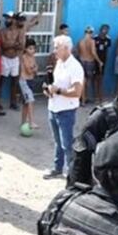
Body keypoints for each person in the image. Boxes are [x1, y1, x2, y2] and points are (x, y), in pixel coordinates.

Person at [43, 35, 84, 180]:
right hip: (54, 107)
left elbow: (77, 92)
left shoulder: (75, 67)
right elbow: (56, 84)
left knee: (67, 144)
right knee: (58, 142)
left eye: (56, 47)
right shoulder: (59, 63)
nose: (54, 51)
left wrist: (58, 91)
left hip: (66, 110)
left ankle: (74, 175)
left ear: (66, 48)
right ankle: (57, 168)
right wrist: (49, 90)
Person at [1, 10, 42, 110]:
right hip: (10, 57)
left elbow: (33, 22)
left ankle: (15, 101)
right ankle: (0, 103)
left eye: (23, 20)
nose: (21, 22)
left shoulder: (23, 28)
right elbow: (5, 45)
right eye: (19, 20)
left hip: (18, 58)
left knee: (16, 81)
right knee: (3, 81)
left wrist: (40, 14)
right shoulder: (6, 31)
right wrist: (14, 45)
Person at [20, 38, 41, 131]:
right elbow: (29, 71)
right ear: (25, 49)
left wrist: (34, 68)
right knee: (30, 100)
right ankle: (31, 121)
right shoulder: (24, 57)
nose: (32, 50)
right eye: (30, 48)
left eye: (33, 48)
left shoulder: (33, 57)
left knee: (26, 103)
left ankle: (23, 122)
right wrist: (34, 68)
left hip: (31, 81)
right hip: (24, 81)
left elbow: (36, 69)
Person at [77, 27, 100, 106]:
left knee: (82, 80)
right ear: (91, 33)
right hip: (90, 61)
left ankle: (83, 99)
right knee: (88, 81)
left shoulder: (80, 41)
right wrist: (99, 61)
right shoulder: (92, 41)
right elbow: (93, 52)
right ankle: (86, 98)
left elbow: (78, 52)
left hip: (81, 61)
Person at [92, 24, 111, 105]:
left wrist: (104, 61)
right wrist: (98, 60)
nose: (105, 31)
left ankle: (100, 97)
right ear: (101, 29)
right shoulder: (95, 38)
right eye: (104, 29)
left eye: (107, 30)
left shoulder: (108, 39)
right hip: (95, 61)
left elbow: (107, 51)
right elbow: (93, 50)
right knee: (95, 78)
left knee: (101, 78)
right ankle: (95, 97)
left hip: (103, 61)